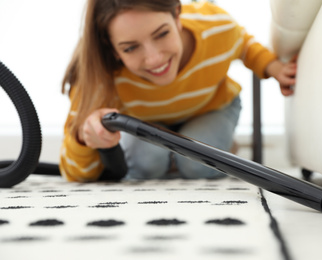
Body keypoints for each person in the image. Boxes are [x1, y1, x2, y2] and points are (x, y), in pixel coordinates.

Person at [60, 0, 296, 182]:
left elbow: (244, 44)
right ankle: (172, 157)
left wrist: (273, 67)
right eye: (131, 48)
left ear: (177, 15)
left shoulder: (216, 26)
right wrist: (83, 138)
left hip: (209, 108)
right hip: (146, 120)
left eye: (162, 33)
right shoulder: (98, 73)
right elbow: (73, 172)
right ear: (112, 50)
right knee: (145, 167)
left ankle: (187, 153)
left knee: (198, 166)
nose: (154, 59)